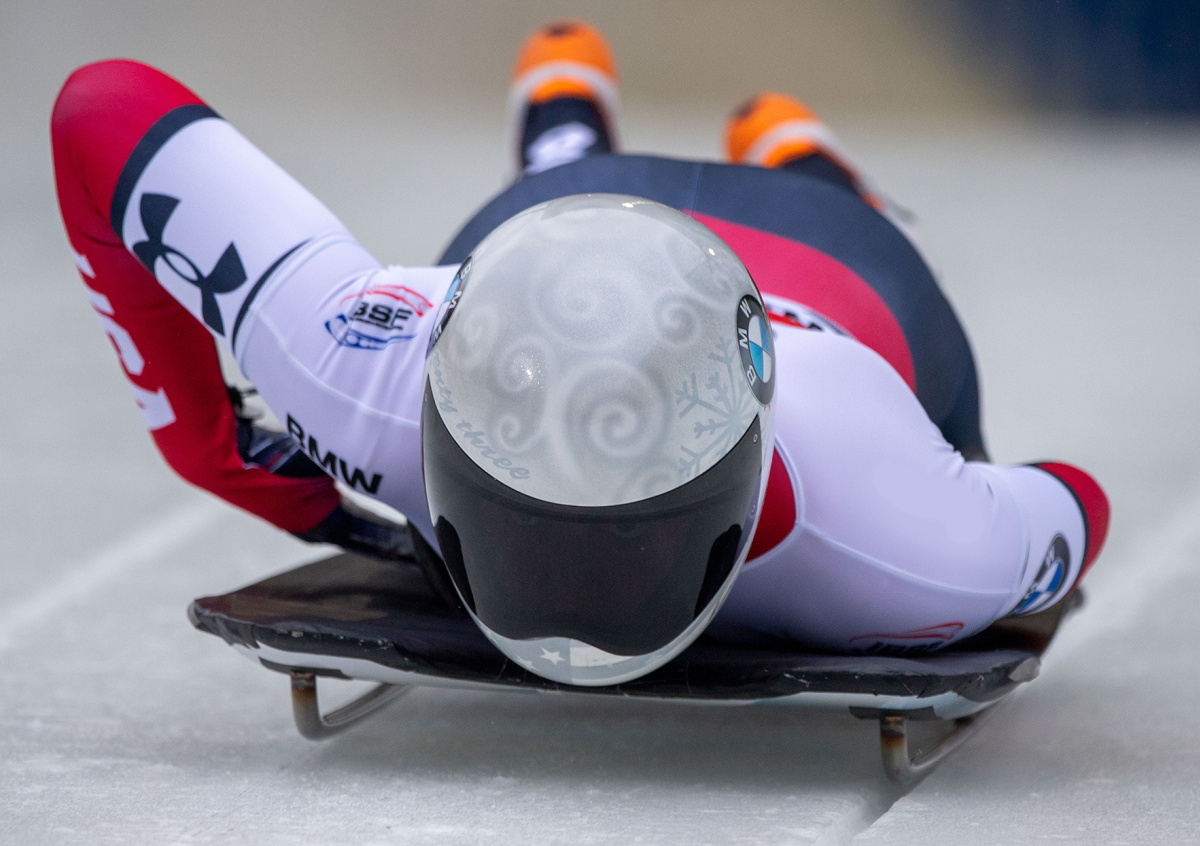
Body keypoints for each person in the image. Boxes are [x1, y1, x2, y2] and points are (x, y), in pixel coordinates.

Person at [52, 21, 1108, 684]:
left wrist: (214, 449)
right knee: (564, 211)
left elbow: (102, 110)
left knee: (566, 203)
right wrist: (206, 447)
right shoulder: (914, 556)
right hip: (819, 265)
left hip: (834, 268)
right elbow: (1075, 499)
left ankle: (633, 139)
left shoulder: (909, 545)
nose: (567, 605)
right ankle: (765, 157)